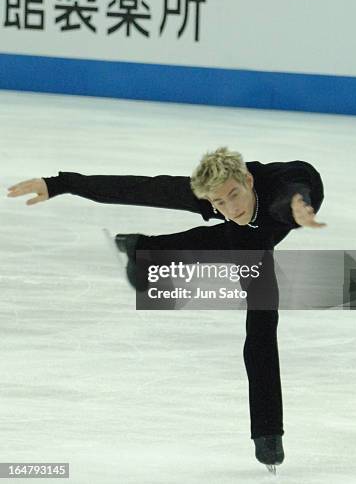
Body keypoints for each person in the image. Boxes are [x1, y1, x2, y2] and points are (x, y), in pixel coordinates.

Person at [7, 147, 325, 472]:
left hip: (279, 212)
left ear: (247, 179)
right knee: (259, 317)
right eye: (219, 203)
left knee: (246, 264)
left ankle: (144, 248)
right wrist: (60, 184)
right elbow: (140, 188)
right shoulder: (216, 202)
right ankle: (268, 436)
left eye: (233, 195)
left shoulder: (285, 186)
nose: (231, 207)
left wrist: (298, 208)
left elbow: (290, 193)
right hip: (254, 241)